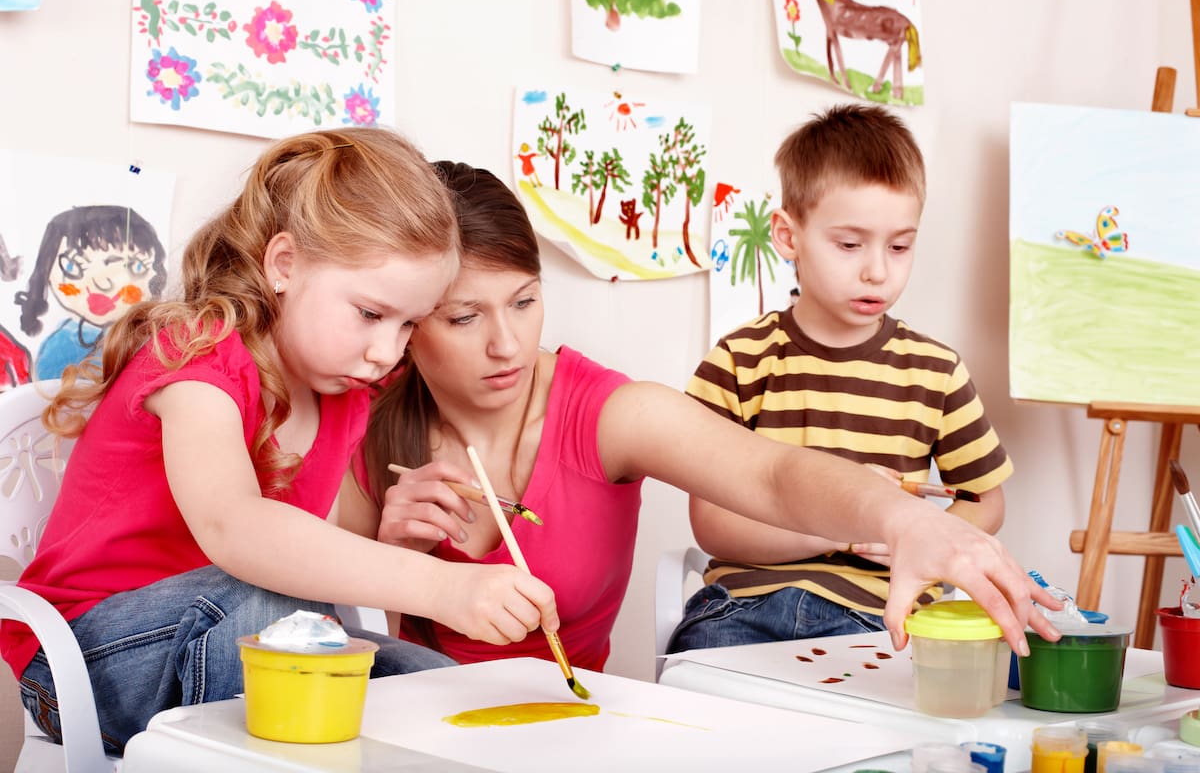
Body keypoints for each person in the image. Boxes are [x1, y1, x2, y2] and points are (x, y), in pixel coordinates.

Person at [341, 160, 1059, 676]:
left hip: (565, 729)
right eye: (464, 317)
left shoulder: (606, 412)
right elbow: (302, 601)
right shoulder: (365, 415)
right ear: (408, 322)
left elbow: (772, 473)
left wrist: (904, 521)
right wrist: (382, 547)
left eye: (525, 301)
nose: (507, 344)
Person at [0, 128, 561, 754]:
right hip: (82, 662)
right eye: (371, 314)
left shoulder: (347, 392)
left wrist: (398, 558)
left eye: (409, 324)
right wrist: (441, 586)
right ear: (284, 265)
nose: (387, 351)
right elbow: (237, 529)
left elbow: (314, 563)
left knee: (440, 689)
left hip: (243, 637)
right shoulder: (197, 357)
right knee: (259, 606)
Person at [667, 103, 1014, 654]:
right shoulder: (739, 360)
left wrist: (917, 532)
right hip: (745, 606)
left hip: (881, 615)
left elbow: (986, 502)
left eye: (900, 246)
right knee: (708, 699)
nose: (877, 269)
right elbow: (711, 523)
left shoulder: (937, 370)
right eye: (850, 245)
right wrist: (844, 525)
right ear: (787, 235)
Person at [14, 204, 168, 380]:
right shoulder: (60, 343)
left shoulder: (150, 344)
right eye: (74, 267)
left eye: (134, 266)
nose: (102, 283)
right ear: (47, 273)